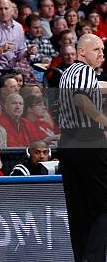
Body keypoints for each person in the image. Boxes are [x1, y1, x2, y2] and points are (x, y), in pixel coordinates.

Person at [58, 34, 106, 262]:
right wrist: (104, 120)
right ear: (82, 53)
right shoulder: (85, 71)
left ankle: (82, 258)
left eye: (103, 50)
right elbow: (80, 99)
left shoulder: (66, 73)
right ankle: (94, 258)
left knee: (78, 211)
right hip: (89, 142)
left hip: (67, 143)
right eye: (97, 49)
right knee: (104, 206)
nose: (102, 55)